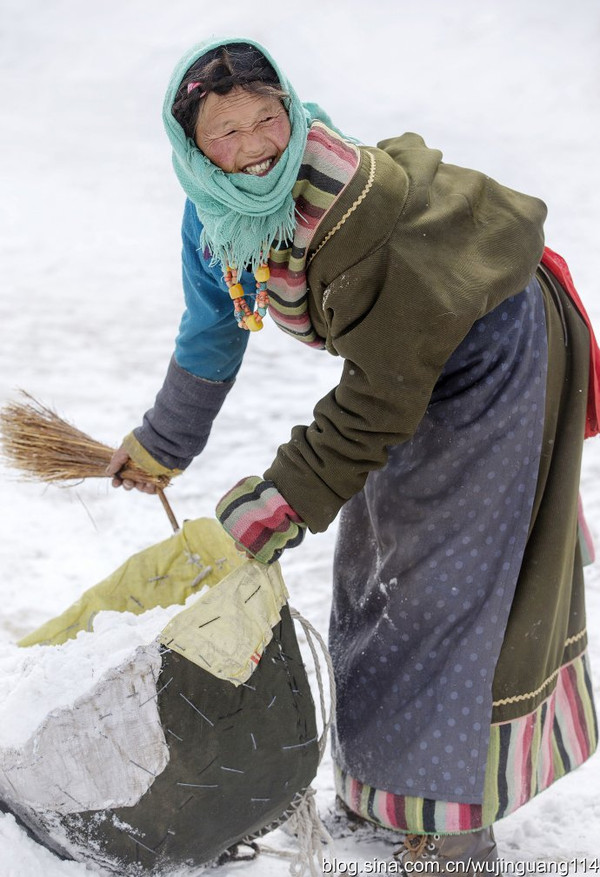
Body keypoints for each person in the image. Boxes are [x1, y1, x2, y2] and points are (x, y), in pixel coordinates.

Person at [107, 37, 599, 869]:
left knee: (445, 578)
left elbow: (377, 401)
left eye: (270, 118)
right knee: (374, 569)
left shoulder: (347, 206)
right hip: (409, 360)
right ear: (193, 149)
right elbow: (211, 336)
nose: (258, 145)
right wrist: (162, 444)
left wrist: (279, 502)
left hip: (495, 343)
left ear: (293, 112)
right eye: (228, 133)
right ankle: (386, 794)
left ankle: (451, 826)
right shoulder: (216, 218)